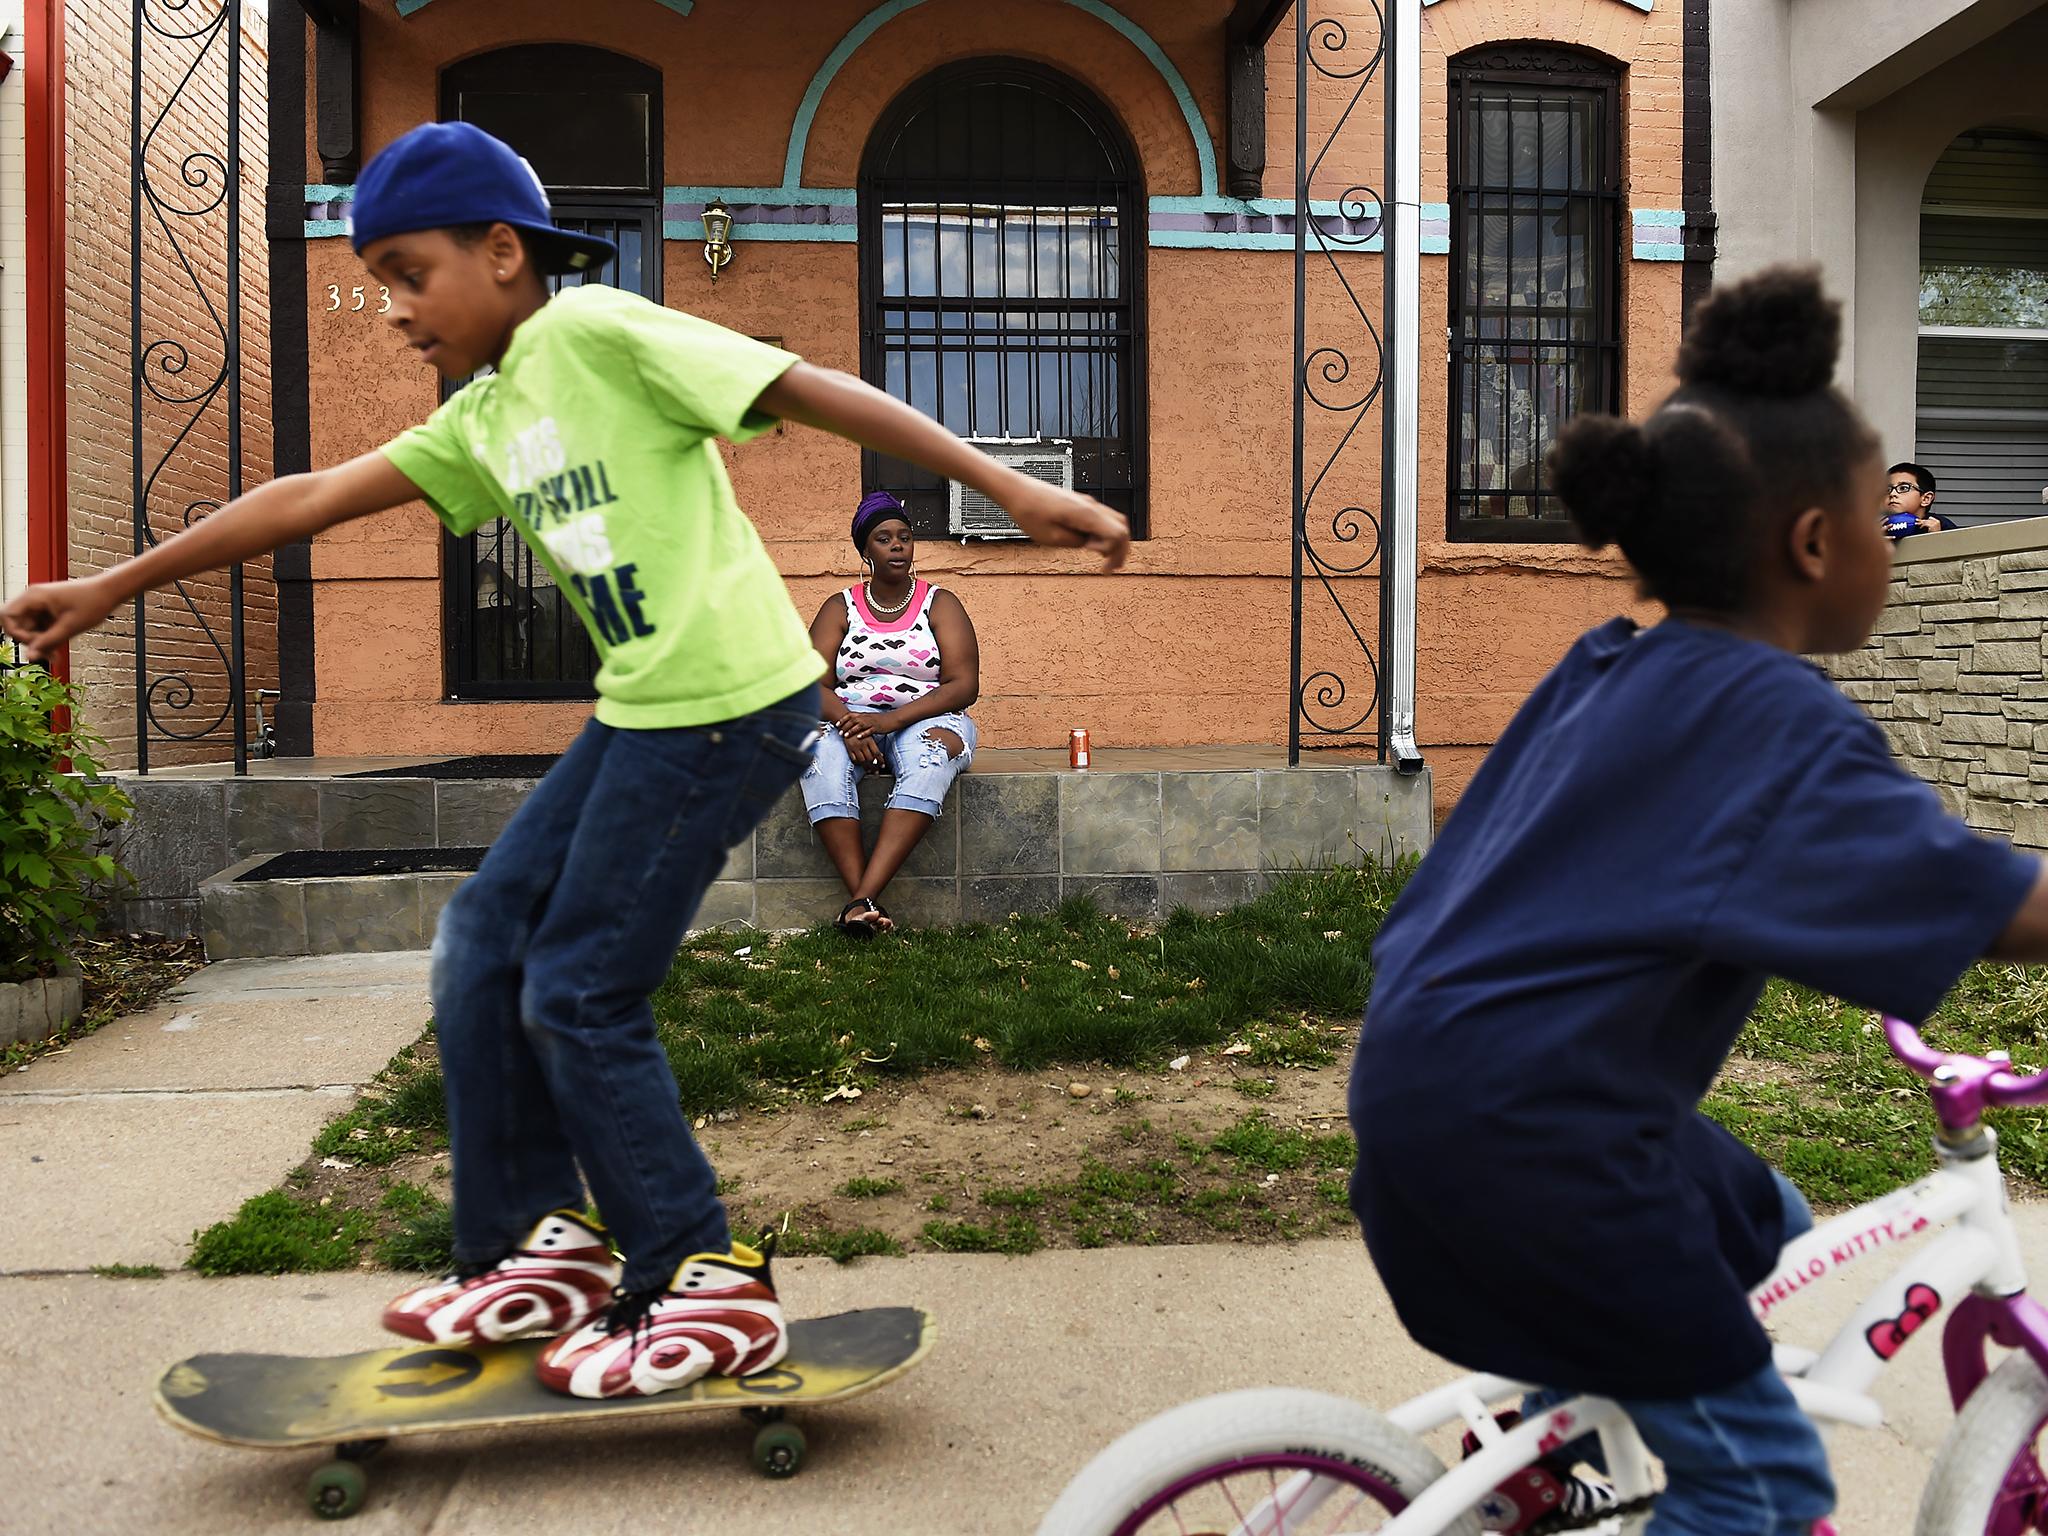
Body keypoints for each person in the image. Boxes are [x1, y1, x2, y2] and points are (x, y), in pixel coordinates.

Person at [0, 121, 1127, 1400]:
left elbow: (802, 384)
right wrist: (111, 583)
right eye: (377, 282)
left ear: (499, 251)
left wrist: (1002, 484)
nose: (393, 310)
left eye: (411, 274)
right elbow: (306, 497)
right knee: (482, 937)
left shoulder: (597, 336)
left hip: (735, 705)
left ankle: (700, 1279)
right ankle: (531, 1244)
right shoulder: (483, 418)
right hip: (645, 710)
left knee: (578, 987)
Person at [1346, 268, 2048, 1535]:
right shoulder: (1769, 719)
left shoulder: (1609, 665)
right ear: (1816, 543)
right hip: (1543, 1150)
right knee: (1762, 1484)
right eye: (1871, 501)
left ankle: (1557, 1447)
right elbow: (1996, 907)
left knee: (1761, 1218)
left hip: (1428, 1096)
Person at [802, 491, 979, 936]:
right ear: (866, 551)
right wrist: (848, 724)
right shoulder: (838, 607)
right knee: (815, 757)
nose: (898, 545)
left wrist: (888, 721)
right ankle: (862, 904)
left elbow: (964, 685)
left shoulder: (940, 603)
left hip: (923, 718)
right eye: (884, 538)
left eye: (904, 536)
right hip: (848, 718)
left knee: (930, 759)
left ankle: (859, 901)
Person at [1882, 461, 1954, 538]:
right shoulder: (1878, 528)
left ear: (1926, 499)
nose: (1892, 494)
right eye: (1887, 490)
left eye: (1903, 488)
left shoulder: (1942, 526)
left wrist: (1936, 538)